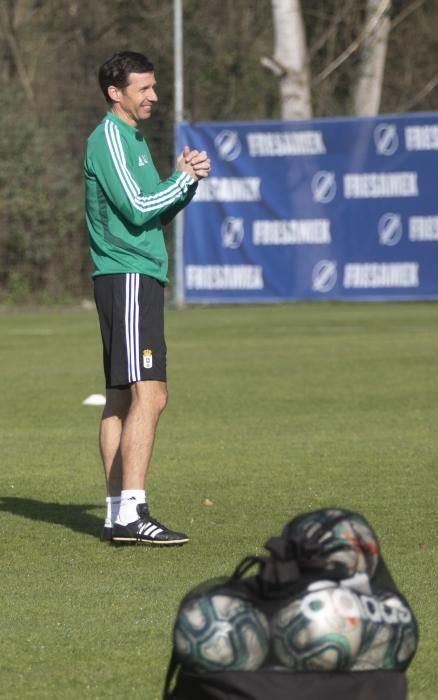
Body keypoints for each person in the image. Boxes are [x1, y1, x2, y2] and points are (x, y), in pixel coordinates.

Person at [84, 51, 210, 545]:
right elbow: (138, 210)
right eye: (144, 88)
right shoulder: (109, 138)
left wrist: (184, 184)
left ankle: (118, 514)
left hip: (131, 275)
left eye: (154, 87)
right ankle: (134, 512)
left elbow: (152, 210)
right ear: (116, 93)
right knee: (151, 395)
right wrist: (182, 180)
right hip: (128, 275)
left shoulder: (132, 138)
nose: (153, 96)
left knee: (121, 397)